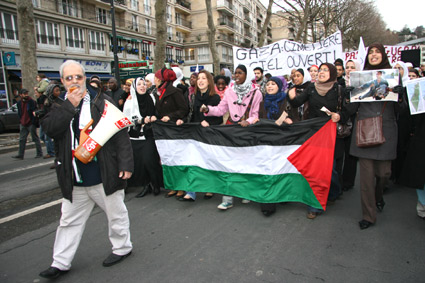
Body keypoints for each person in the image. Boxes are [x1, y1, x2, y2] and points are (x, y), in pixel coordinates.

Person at [38, 60, 133, 279]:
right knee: (68, 222)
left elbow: (120, 134)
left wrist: (126, 164)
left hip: (103, 173)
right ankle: (60, 262)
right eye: (69, 78)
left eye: (78, 77)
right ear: (62, 81)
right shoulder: (58, 104)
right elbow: (50, 130)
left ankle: (122, 248)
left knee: (116, 214)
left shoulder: (102, 101)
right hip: (75, 178)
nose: (74, 82)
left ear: (84, 78)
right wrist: (69, 107)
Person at [345, 43, 404, 230]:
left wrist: (401, 96)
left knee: (384, 174)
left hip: (386, 131)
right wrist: (350, 95)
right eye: (371, 52)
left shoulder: (394, 79)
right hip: (364, 131)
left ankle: (379, 195)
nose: (374, 55)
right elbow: (350, 110)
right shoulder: (360, 79)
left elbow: (401, 110)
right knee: (366, 180)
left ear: (383, 55)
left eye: (377, 52)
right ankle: (368, 216)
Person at [201, 64, 263, 210]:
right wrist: (208, 109)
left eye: (240, 73)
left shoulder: (256, 93)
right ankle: (227, 198)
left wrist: (246, 121)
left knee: (245, 163)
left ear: (247, 75)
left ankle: (246, 193)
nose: (236, 76)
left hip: (247, 132)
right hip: (231, 130)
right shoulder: (230, 91)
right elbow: (221, 109)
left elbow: (255, 115)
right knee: (228, 163)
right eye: (235, 73)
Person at [288, 63, 343, 219]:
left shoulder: (338, 89)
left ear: (332, 73)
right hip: (313, 132)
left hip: (330, 133)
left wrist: (339, 115)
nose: (321, 73)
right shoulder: (311, 88)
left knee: (330, 169)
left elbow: (347, 109)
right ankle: (315, 205)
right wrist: (291, 96)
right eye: (320, 70)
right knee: (316, 168)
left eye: (325, 70)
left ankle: (333, 192)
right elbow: (296, 103)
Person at [179, 70, 222, 202]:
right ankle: (191, 191)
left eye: (204, 78)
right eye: (199, 79)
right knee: (192, 161)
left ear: (209, 81)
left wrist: (208, 122)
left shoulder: (215, 98)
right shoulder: (193, 97)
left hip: (209, 136)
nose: (201, 81)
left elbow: (219, 118)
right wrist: (182, 120)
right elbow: (189, 113)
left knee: (208, 162)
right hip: (194, 134)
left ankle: (210, 188)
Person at [154, 67, 189, 199]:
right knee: (167, 158)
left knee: (177, 158)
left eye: (158, 78)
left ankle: (181, 187)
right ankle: (173, 185)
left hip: (175, 129)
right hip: (164, 130)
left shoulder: (175, 92)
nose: (155, 80)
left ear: (163, 80)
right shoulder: (158, 93)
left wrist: (170, 116)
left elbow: (183, 109)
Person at [125, 78, 163, 198]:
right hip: (135, 138)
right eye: (139, 84)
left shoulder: (151, 99)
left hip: (149, 135)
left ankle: (156, 184)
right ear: (134, 87)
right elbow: (126, 121)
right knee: (140, 164)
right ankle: (146, 186)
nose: (142, 86)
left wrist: (153, 118)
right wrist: (140, 121)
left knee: (150, 161)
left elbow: (157, 113)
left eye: (144, 84)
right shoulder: (129, 102)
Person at [256, 76, 288, 216]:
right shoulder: (263, 103)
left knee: (280, 171)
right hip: (266, 142)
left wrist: (285, 120)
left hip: (282, 142)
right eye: (268, 84)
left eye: (273, 84)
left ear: (279, 86)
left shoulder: (286, 101)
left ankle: (283, 195)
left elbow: (290, 118)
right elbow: (259, 118)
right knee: (267, 171)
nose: (269, 86)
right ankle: (268, 204)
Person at [12, 89, 43, 160]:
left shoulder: (32, 102)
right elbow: (20, 113)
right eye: (24, 94)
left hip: (30, 123)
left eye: (26, 93)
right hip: (23, 123)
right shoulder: (19, 103)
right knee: (22, 139)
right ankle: (20, 154)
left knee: (35, 138)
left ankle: (39, 153)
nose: (26, 95)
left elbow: (35, 111)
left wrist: (33, 122)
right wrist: (21, 120)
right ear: (20, 95)